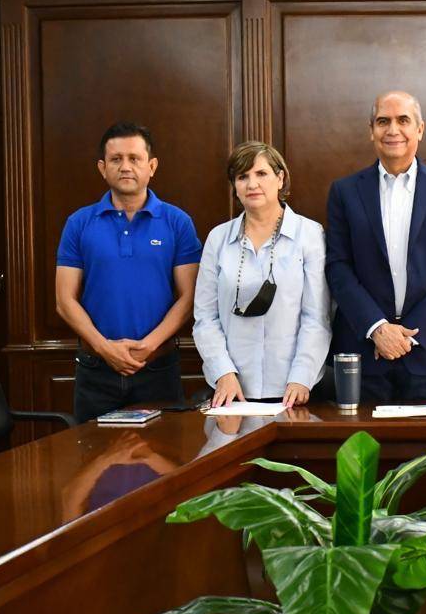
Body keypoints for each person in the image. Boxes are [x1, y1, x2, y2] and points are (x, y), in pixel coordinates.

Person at [325, 91, 426, 402]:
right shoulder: (344, 191)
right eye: (383, 121)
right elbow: (338, 267)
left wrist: (409, 335)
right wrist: (378, 328)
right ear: (371, 130)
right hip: (365, 352)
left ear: (420, 129)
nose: (393, 130)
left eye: (403, 120)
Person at [56, 122, 202, 421]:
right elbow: (64, 300)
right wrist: (105, 348)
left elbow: (190, 297)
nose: (125, 167)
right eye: (116, 159)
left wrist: (148, 346)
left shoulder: (177, 222)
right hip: (96, 371)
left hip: (158, 369)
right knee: (92, 451)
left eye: (134, 158)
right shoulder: (78, 223)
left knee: (166, 452)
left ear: (152, 166)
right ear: (102, 168)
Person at [193, 141, 331, 408]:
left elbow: (317, 317)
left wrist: (302, 377)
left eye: (261, 174)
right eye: (242, 177)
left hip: (293, 391)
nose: (252, 184)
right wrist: (223, 372)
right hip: (232, 391)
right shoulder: (218, 238)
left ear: (280, 178)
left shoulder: (310, 234)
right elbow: (205, 317)